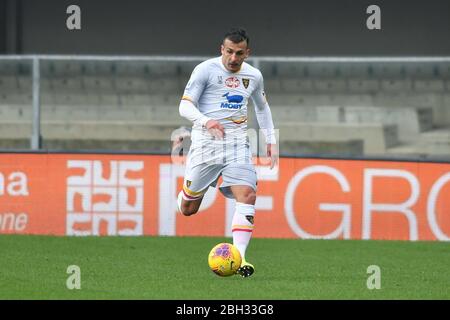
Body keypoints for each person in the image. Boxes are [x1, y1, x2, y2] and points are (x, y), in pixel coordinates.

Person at [176, 27, 278, 278]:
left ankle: (240, 258)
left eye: (239, 53)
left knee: (248, 194)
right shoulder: (205, 70)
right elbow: (184, 105)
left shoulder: (253, 76)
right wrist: (206, 121)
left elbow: (262, 108)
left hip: (236, 145)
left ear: (247, 53)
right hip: (205, 146)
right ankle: (186, 193)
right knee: (189, 208)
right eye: (229, 52)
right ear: (222, 49)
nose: (233, 58)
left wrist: (271, 139)